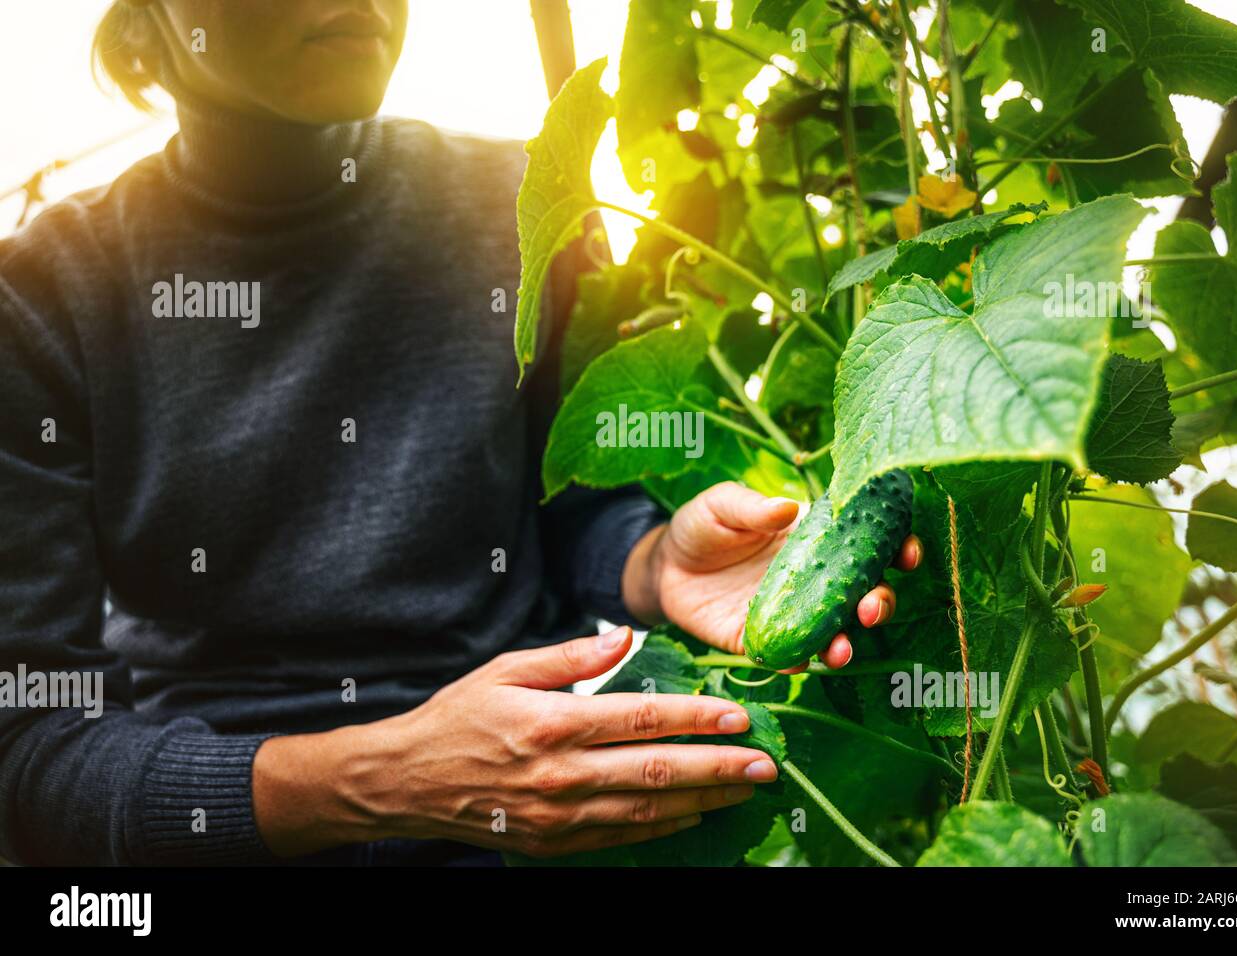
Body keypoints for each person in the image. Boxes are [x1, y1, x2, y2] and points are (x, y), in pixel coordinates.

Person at [0, 0, 921, 866]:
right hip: (226, 834)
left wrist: (654, 565)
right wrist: (382, 779)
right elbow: (29, 749)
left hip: (545, 793)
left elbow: (575, 517)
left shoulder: (520, 204)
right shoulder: (43, 296)